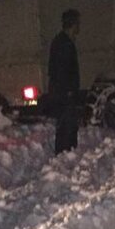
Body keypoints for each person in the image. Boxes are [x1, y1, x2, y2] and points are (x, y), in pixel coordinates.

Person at [48, 9, 81, 155]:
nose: (79, 27)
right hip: (64, 92)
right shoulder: (64, 44)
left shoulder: (62, 41)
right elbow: (62, 69)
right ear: (72, 24)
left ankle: (67, 151)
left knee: (67, 124)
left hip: (62, 91)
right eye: (78, 23)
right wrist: (68, 90)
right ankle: (65, 152)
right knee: (66, 125)